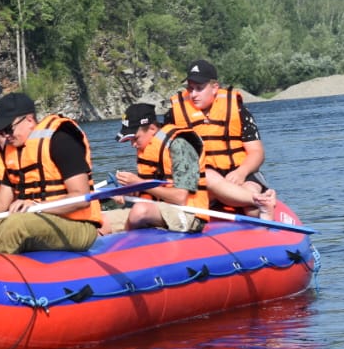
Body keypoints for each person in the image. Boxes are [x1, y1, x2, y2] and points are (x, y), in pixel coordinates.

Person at [0, 92, 99, 254]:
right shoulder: (13, 153)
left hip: (79, 226)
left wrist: (38, 206)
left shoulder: (61, 140)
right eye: (1, 131)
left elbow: (81, 198)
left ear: (29, 120)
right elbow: (1, 202)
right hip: (34, 220)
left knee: (17, 223)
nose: (5, 136)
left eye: (9, 128)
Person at [165, 59, 274, 216]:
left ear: (214, 87)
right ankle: (261, 200)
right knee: (206, 176)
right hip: (204, 176)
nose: (193, 94)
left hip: (241, 171)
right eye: (190, 88)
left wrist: (241, 172)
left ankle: (258, 208)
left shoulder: (238, 110)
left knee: (252, 210)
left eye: (199, 88)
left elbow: (257, 152)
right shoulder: (174, 114)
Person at [111, 103, 207, 232]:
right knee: (103, 220)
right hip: (155, 209)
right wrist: (126, 191)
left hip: (188, 214)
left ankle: (128, 244)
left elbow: (180, 197)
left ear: (151, 128)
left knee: (139, 211)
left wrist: (140, 183)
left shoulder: (180, 146)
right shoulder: (147, 146)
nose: (132, 144)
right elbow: (150, 190)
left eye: (135, 138)